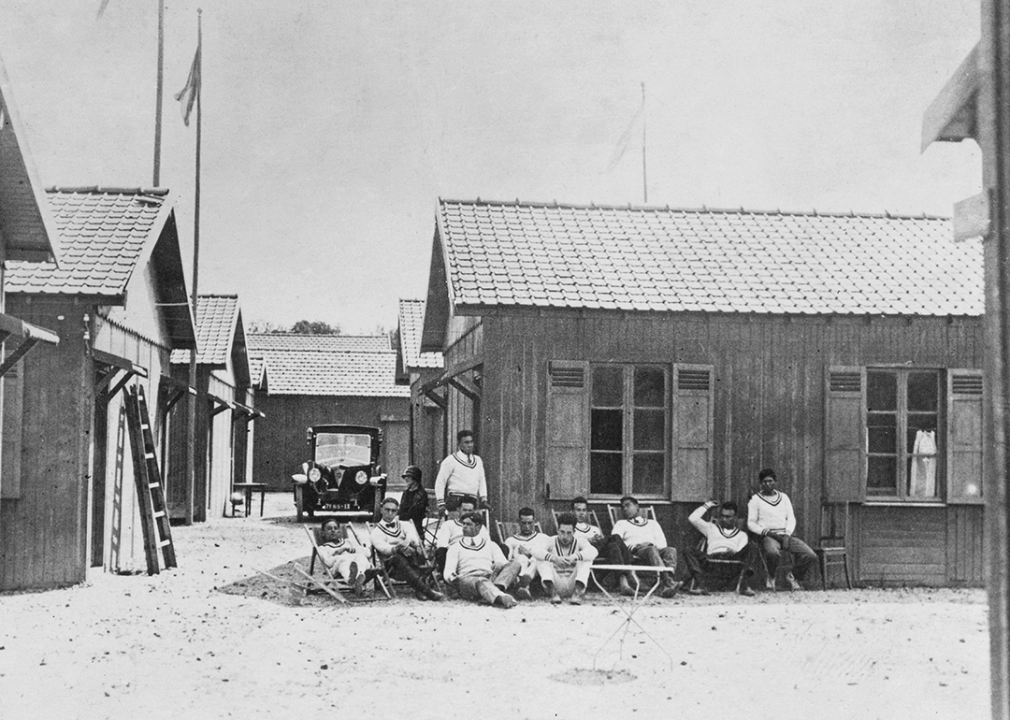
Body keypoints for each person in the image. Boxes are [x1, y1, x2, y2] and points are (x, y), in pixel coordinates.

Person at [747, 468, 817, 591]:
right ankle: (771, 577)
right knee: (773, 553)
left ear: (775, 482)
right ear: (760, 483)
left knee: (810, 555)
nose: (767, 484)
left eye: (770, 481)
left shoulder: (783, 497)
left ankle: (793, 576)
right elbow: (751, 523)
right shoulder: (755, 499)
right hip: (769, 536)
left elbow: (791, 518)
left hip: (785, 535)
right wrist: (767, 532)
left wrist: (787, 535)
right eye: (764, 482)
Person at [370, 497, 444, 601]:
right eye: (387, 510)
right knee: (398, 557)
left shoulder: (405, 525)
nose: (390, 513)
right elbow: (383, 548)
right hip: (393, 565)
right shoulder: (376, 532)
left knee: (427, 551)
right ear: (381, 509)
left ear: (397, 511)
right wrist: (398, 548)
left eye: (393, 510)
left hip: (410, 558)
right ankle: (427, 591)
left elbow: (414, 538)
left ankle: (420, 588)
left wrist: (405, 545)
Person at [608, 495, 682, 598]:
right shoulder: (621, 524)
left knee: (671, 550)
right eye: (622, 507)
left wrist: (650, 545)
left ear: (637, 507)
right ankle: (668, 583)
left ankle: (666, 585)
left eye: (628, 505)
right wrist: (637, 546)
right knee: (650, 549)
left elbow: (662, 544)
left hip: (653, 550)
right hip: (636, 551)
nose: (624, 509)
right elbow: (616, 541)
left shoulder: (653, 523)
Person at [443, 512, 520, 608]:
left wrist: (498, 563)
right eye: (464, 524)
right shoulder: (455, 547)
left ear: (478, 527)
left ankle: (493, 591)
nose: (464, 527)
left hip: (490, 577)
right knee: (480, 580)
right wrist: (452, 577)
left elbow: (504, 563)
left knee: (515, 564)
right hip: (468, 580)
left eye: (469, 524)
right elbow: (448, 571)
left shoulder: (490, 545)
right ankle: (501, 597)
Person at [684, 501, 758, 597]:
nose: (724, 519)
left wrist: (731, 552)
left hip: (732, 562)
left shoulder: (742, 535)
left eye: (728, 517)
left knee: (752, 546)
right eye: (722, 516)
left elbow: (739, 551)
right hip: (711, 561)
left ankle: (745, 585)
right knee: (688, 550)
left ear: (735, 518)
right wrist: (707, 505)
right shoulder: (710, 528)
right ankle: (701, 585)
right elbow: (693, 518)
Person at [531, 512, 598, 604]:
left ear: (574, 532)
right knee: (541, 558)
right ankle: (553, 594)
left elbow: (594, 551)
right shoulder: (551, 540)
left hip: (573, 585)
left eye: (569, 533)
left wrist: (575, 557)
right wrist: (554, 558)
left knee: (586, 559)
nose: (565, 536)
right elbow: (535, 550)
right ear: (558, 530)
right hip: (555, 584)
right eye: (562, 532)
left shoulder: (580, 541)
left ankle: (577, 594)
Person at [434, 430, 489, 515]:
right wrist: (441, 503)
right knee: (455, 526)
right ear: (459, 444)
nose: (470, 445)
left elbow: (482, 480)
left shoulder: (478, 460)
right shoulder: (450, 460)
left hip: (472, 500)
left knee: (469, 526)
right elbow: (440, 482)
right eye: (466, 442)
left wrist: (483, 499)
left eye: (471, 442)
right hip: (455, 500)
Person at [502, 507, 552, 600]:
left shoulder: (543, 538)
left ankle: (524, 584)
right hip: (520, 567)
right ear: (518, 522)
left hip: (537, 567)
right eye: (523, 523)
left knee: (536, 560)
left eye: (530, 523)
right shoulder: (511, 540)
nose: (527, 526)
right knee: (522, 558)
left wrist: (530, 554)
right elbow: (507, 561)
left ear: (534, 522)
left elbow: (549, 556)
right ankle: (523, 585)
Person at [433, 495, 490, 574]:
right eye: (464, 510)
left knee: (502, 548)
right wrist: (460, 550)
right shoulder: (449, 525)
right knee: (441, 551)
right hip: (456, 555)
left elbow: (488, 544)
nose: (467, 513)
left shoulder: (479, 527)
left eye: (470, 511)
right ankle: (449, 579)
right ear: (458, 510)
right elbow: (442, 544)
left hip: (476, 554)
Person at [317, 520, 373, 597]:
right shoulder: (323, 548)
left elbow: (368, 553)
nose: (333, 530)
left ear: (340, 531)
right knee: (344, 561)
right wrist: (343, 557)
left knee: (361, 557)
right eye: (329, 528)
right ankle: (351, 579)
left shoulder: (348, 542)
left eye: (335, 528)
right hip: (338, 568)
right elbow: (328, 562)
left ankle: (358, 578)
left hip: (358, 564)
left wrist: (347, 549)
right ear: (323, 533)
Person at [398, 465, 429, 539]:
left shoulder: (421, 494)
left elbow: (415, 511)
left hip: (414, 522)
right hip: (403, 520)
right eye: (405, 477)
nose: (406, 479)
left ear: (415, 478)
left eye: (408, 477)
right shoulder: (406, 492)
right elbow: (402, 507)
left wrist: (400, 517)